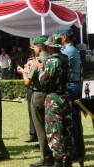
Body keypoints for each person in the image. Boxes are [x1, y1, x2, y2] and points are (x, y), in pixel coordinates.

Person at [35, 34, 75, 167]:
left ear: (50, 47)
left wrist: (41, 69)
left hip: (53, 99)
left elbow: (43, 81)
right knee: (66, 129)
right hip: (65, 96)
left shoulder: (53, 61)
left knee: (54, 131)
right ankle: (68, 159)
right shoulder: (65, 59)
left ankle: (58, 161)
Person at [17, 37, 53, 167]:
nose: (34, 50)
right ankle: (53, 155)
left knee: (40, 128)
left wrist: (22, 72)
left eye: (35, 48)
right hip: (51, 95)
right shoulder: (53, 59)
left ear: (39, 47)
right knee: (51, 127)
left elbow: (27, 83)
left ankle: (45, 159)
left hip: (38, 95)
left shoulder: (37, 61)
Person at [58, 27, 85, 166]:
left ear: (63, 37)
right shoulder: (73, 49)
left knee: (71, 121)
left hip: (71, 87)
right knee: (75, 120)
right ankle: (78, 153)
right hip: (76, 85)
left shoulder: (67, 51)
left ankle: (75, 153)